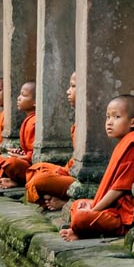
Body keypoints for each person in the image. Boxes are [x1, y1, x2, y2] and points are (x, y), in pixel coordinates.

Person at [60, 94, 134, 241]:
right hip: (110, 210)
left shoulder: (133, 145)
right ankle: (81, 229)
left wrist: (94, 210)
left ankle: (82, 230)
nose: (109, 122)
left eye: (116, 117)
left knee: (81, 217)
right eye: (108, 117)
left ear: (133, 122)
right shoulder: (123, 143)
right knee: (77, 204)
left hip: (122, 216)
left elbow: (119, 190)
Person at [25, 73, 77, 210]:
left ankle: (67, 202)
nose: (67, 91)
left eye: (73, 86)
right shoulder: (79, 122)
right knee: (38, 168)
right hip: (71, 172)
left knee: (40, 180)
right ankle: (57, 196)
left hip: (85, 180)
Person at [0, 81, 36, 188]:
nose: (18, 98)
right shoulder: (27, 119)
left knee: (11, 163)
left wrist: (22, 157)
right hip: (24, 161)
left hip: (32, 167)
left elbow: (35, 155)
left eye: (24, 95)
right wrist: (19, 153)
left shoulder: (35, 122)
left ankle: (18, 181)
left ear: (36, 101)